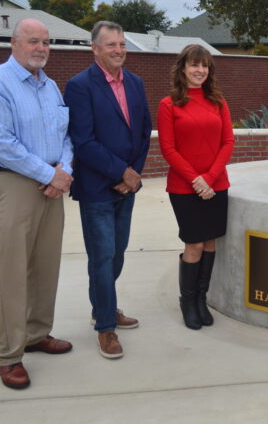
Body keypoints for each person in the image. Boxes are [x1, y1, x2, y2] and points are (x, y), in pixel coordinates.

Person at [0, 18, 74, 390]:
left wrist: (63, 170)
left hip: (51, 186)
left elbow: (65, 136)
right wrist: (49, 176)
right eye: (33, 41)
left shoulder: (49, 87)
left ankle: (36, 334)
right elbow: (0, 143)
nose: (41, 48)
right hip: (10, 184)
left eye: (46, 42)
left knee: (45, 267)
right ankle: (10, 355)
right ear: (14, 43)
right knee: (12, 273)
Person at [63, 21, 152, 359]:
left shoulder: (135, 82)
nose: (118, 50)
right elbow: (83, 141)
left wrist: (133, 175)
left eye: (122, 44)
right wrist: (121, 171)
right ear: (95, 49)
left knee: (115, 255)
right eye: (111, 44)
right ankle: (105, 328)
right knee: (101, 257)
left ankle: (103, 306)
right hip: (97, 189)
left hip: (125, 189)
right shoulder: (79, 86)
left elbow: (143, 132)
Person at [158, 44, 234, 330]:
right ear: (182, 68)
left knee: (211, 241)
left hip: (216, 185)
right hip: (184, 187)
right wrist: (196, 179)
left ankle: (202, 299)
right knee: (195, 243)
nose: (199, 70)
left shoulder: (219, 102)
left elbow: (228, 142)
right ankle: (187, 303)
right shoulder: (169, 105)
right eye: (194, 65)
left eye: (204, 66)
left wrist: (210, 177)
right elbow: (168, 149)